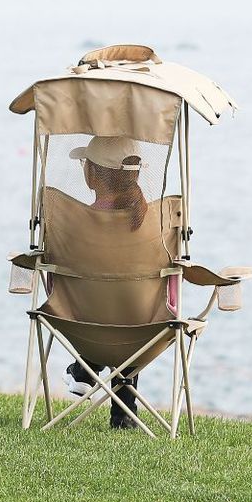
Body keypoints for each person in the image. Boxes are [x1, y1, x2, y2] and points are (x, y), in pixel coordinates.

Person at [64, 134, 152, 428]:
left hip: (87, 323)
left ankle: (85, 369)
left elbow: (64, 280)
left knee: (105, 309)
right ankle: (123, 415)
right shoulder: (155, 221)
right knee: (128, 309)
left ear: (92, 174)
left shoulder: (82, 222)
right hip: (148, 324)